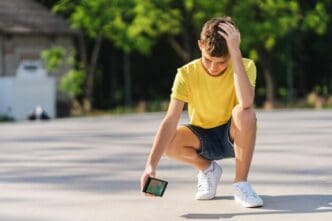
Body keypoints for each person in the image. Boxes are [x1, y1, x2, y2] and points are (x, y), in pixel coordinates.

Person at [140, 16, 263, 208]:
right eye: (208, 60)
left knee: (245, 112)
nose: (214, 67)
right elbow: (170, 119)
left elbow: (246, 101)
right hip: (202, 137)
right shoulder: (186, 74)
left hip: (233, 136)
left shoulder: (246, 65)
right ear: (199, 45)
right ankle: (208, 170)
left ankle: (241, 184)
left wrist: (235, 53)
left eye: (221, 62)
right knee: (168, 139)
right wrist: (151, 165)